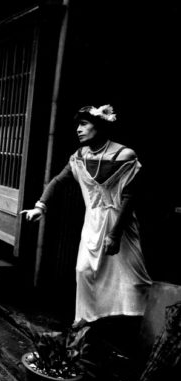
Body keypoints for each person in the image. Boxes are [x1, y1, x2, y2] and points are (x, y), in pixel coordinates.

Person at [21, 104, 152, 324]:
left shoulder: (124, 155)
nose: (78, 130)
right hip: (92, 222)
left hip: (119, 222)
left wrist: (115, 234)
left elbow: (129, 197)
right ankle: (86, 320)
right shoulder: (80, 156)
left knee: (130, 278)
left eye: (83, 124)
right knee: (84, 271)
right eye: (78, 125)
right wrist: (40, 206)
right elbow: (58, 181)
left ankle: (132, 324)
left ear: (99, 126)